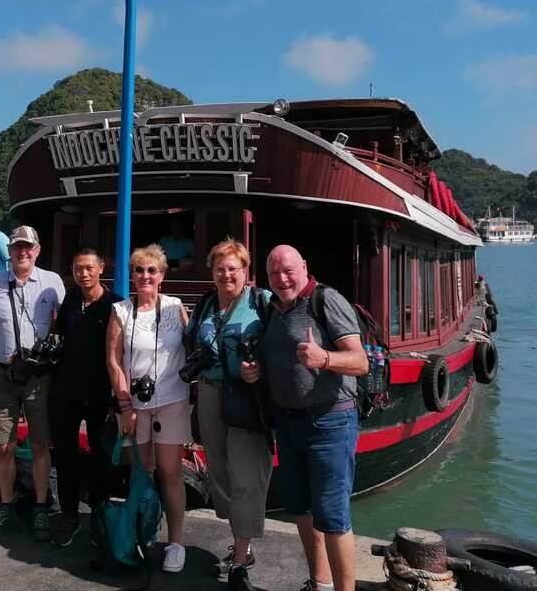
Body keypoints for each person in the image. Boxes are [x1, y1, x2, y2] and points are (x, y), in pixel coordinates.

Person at [241, 245, 367, 591]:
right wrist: (259, 371)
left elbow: (360, 362)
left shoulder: (326, 300)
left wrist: (323, 358)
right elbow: (282, 360)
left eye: (288, 270)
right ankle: (320, 583)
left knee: (333, 516)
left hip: (330, 422)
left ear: (305, 267)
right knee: (301, 508)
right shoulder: (274, 309)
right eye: (273, 273)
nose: (282, 278)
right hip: (289, 422)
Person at [184, 238, 272, 590]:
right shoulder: (206, 305)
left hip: (247, 397)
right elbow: (190, 341)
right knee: (219, 472)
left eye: (233, 268)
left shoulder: (261, 303)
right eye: (220, 268)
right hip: (208, 393)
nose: (226, 274)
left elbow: (280, 346)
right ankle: (240, 542)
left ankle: (240, 558)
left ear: (245, 271)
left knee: (246, 476)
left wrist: (261, 368)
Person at [106, 244, 190, 573]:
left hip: (171, 401)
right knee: (142, 471)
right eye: (139, 270)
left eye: (152, 270)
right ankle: (146, 526)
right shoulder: (121, 311)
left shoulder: (175, 307)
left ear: (162, 276)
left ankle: (177, 542)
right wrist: (125, 404)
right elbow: (113, 361)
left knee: (170, 472)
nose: (145, 276)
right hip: (135, 407)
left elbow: (192, 347)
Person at [0, 225, 65, 541]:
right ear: (10, 251)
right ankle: (6, 506)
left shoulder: (52, 282)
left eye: (28, 247)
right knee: (3, 444)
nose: (22, 252)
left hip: (39, 375)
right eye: (17, 247)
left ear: (37, 250)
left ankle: (41, 507)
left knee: (42, 443)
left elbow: (63, 320)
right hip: (3, 373)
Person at [48, 246, 121, 547]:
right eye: (78, 268)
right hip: (65, 390)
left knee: (100, 456)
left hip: (99, 394)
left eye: (89, 267)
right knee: (64, 456)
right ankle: (68, 515)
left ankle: (100, 515)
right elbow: (61, 335)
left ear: (101, 268)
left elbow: (120, 354)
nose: (84, 273)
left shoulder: (116, 305)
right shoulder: (70, 300)